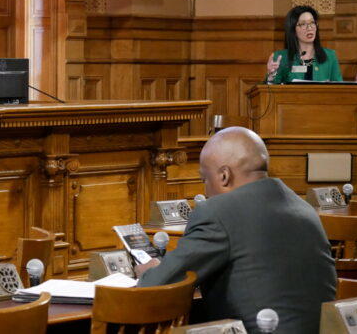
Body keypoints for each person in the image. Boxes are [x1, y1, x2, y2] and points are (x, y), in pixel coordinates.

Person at [136, 127, 336, 333]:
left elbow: (156, 285)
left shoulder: (216, 212)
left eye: (204, 179)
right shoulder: (303, 207)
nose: (204, 190)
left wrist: (149, 271)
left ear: (224, 176)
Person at [265, 5, 357, 84]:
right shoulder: (281, 57)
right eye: (303, 24)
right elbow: (270, 94)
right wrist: (271, 76)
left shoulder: (330, 56)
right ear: (293, 30)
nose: (309, 27)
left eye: (312, 23)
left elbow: (338, 89)